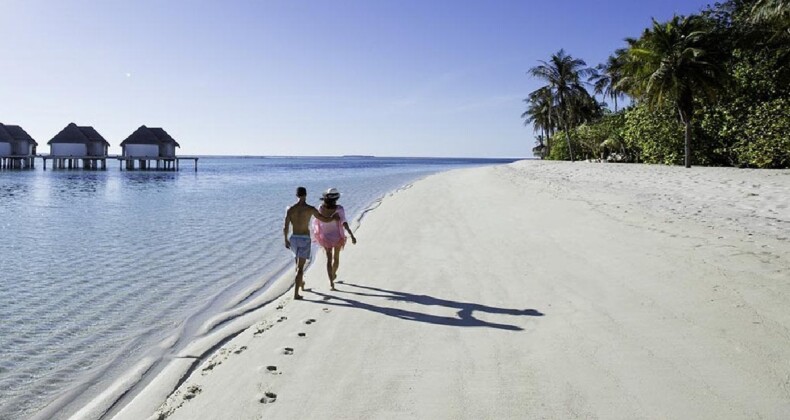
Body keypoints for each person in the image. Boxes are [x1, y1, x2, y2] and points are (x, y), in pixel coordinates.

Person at [283, 186, 338, 300]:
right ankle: (296, 294)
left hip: (293, 238)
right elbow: (323, 219)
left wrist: (285, 239)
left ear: (297, 195)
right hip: (304, 239)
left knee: (297, 264)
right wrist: (333, 218)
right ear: (306, 195)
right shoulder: (310, 209)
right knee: (300, 267)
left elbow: (285, 227)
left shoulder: (290, 209)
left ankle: (301, 283)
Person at [312, 187, 357, 290]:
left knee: (328, 259)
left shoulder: (320, 208)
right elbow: (344, 222)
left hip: (325, 237)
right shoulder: (339, 209)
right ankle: (333, 274)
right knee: (336, 258)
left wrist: (316, 234)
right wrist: (351, 235)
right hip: (337, 237)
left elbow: (317, 222)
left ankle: (331, 283)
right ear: (336, 198)